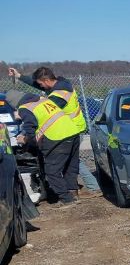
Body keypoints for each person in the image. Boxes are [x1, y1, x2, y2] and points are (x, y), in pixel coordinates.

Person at [7, 66, 101, 196]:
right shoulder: (60, 83)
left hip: (70, 128)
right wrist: (19, 76)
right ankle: (76, 190)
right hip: (69, 128)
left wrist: (26, 114)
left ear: (46, 80)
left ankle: (92, 187)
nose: (40, 87)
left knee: (71, 162)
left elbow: (46, 110)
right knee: (71, 162)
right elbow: (38, 85)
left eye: (41, 84)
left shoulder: (60, 94)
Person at [5, 89, 80, 206]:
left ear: (13, 103)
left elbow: (31, 130)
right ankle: (73, 193)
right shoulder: (41, 99)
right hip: (73, 132)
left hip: (57, 136)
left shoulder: (25, 108)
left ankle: (67, 199)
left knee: (51, 171)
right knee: (70, 165)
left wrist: (24, 140)